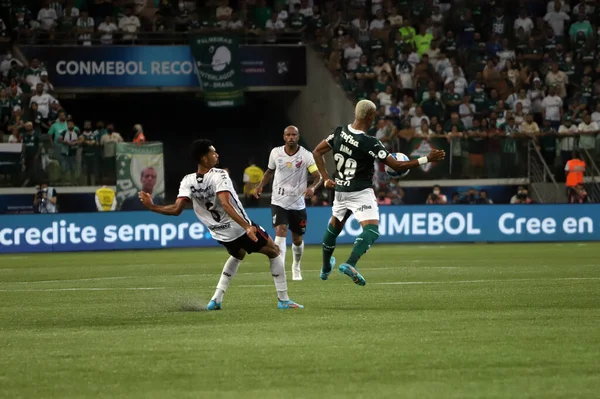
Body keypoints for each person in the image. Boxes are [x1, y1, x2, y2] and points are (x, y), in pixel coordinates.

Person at [138, 139, 303, 310]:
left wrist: (152, 207)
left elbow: (176, 209)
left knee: (238, 253)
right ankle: (284, 300)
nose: (217, 154)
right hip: (237, 226)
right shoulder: (219, 174)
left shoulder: (187, 180)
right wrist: (247, 226)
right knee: (274, 251)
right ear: (204, 159)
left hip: (219, 233)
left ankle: (216, 299)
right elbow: (225, 203)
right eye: (213, 152)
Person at [312, 100, 445, 286]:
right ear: (370, 117)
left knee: (334, 228)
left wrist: (325, 178)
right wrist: (425, 158)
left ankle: (326, 267)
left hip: (341, 190)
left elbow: (317, 152)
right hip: (360, 192)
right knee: (371, 230)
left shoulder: (339, 132)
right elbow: (396, 165)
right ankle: (350, 263)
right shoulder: (370, 143)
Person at [254, 126, 322, 281]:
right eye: (288, 135)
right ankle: (281, 270)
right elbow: (269, 171)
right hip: (278, 201)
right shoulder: (275, 153)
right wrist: (260, 186)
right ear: (284, 137)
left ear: (298, 137)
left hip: (298, 203)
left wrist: (312, 188)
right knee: (281, 230)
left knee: (297, 239)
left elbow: (318, 177)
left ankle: (296, 266)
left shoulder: (306, 156)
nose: (291, 137)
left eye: (294, 135)